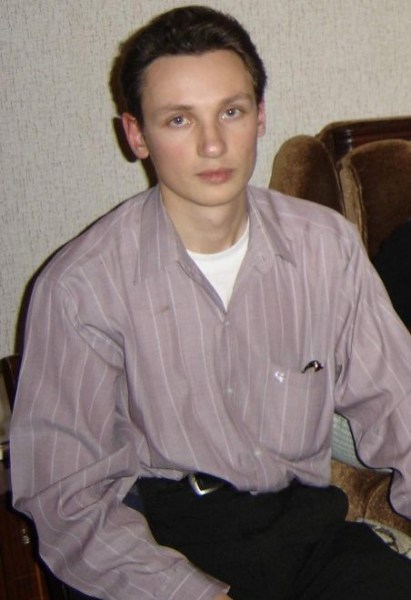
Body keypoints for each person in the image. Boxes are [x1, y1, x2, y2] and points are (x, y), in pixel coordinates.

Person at [10, 5, 411, 600]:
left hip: (303, 528)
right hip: (158, 540)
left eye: (231, 111)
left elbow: (401, 407)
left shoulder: (324, 246)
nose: (213, 143)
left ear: (260, 115)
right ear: (136, 135)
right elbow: (68, 503)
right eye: (179, 119)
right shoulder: (81, 286)